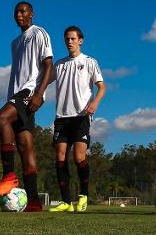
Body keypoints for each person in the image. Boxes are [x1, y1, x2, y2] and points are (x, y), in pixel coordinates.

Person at [0, 1, 53, 212]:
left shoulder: (39, 33)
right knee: (25, 146)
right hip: (15, 94)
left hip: (28, 94)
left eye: (23, 11)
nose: (19, 14)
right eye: (16, 12)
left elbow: (49, 67)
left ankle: (9, 175)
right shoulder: (15, 42)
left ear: (31, 14)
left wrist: (39, 94)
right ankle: (35, 202)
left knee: (1, 118)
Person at [47, 26, 106, 213]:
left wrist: (95, 103)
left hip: (81, 116)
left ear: (80, 40)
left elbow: (102, 87)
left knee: (79, 156)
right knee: (60, 157)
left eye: (73, 38)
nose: (69, 42)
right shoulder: (60, 64)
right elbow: (45, 80)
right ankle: (65, 202)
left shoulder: (90, 62)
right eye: (67, 39)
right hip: (61, 117)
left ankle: (83, 196)